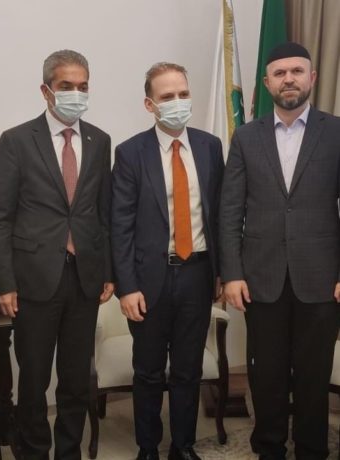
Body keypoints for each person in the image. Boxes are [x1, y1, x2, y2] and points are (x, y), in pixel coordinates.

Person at [0, 49, 113, 460]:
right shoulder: (16, 140)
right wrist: (4, 282)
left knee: (75, 381)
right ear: (46, 91)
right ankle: (33, 452)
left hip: (84, 278)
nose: (76, 94)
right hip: (34, 279)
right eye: (66, 86)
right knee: (34, 381)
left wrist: (107, 270)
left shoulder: (99, 141)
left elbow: (102, 212)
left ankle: (69, 452)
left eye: (83, 86)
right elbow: (0, 217)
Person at [220, 42, 340, 460]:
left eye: (297, 71)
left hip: (321, 279)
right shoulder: (246, 137)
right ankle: (268, 449)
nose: (289, 79)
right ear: (267, 82)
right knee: (266, 375)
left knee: (313, 375)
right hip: (261, 278)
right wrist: (232, 273)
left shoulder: (336, 132)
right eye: (280, 73)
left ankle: (311, 450)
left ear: (312, 78)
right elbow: (230, 210)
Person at [111, 62, 224, 460]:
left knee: (188, 369)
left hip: (198, 274)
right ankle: (148, 447)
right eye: (167, 97)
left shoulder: (210, 147)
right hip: (148, 280)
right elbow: (120, 225)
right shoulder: (130, 153)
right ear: (150, 104)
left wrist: (223, 273)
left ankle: (183, 445)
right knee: (148, 370)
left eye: (183, 94)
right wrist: (126, 287)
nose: (178, 102)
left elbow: (220, 216)